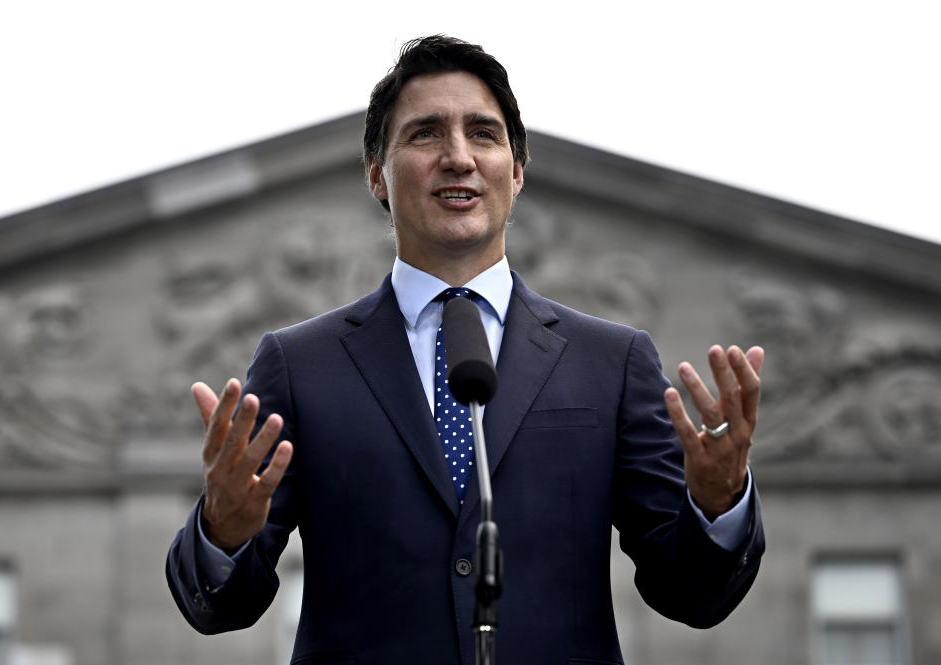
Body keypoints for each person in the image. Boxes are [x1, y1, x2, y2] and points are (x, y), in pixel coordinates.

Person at [166, 35, 765, 665]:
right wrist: (223, 529)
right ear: (377, 174)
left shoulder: (610, 363)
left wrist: (717, 504)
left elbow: (693, 597)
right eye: (425, 134)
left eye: (483, 133)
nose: (458, 157)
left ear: (518, 169)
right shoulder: (301, 364)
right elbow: (221, 608)